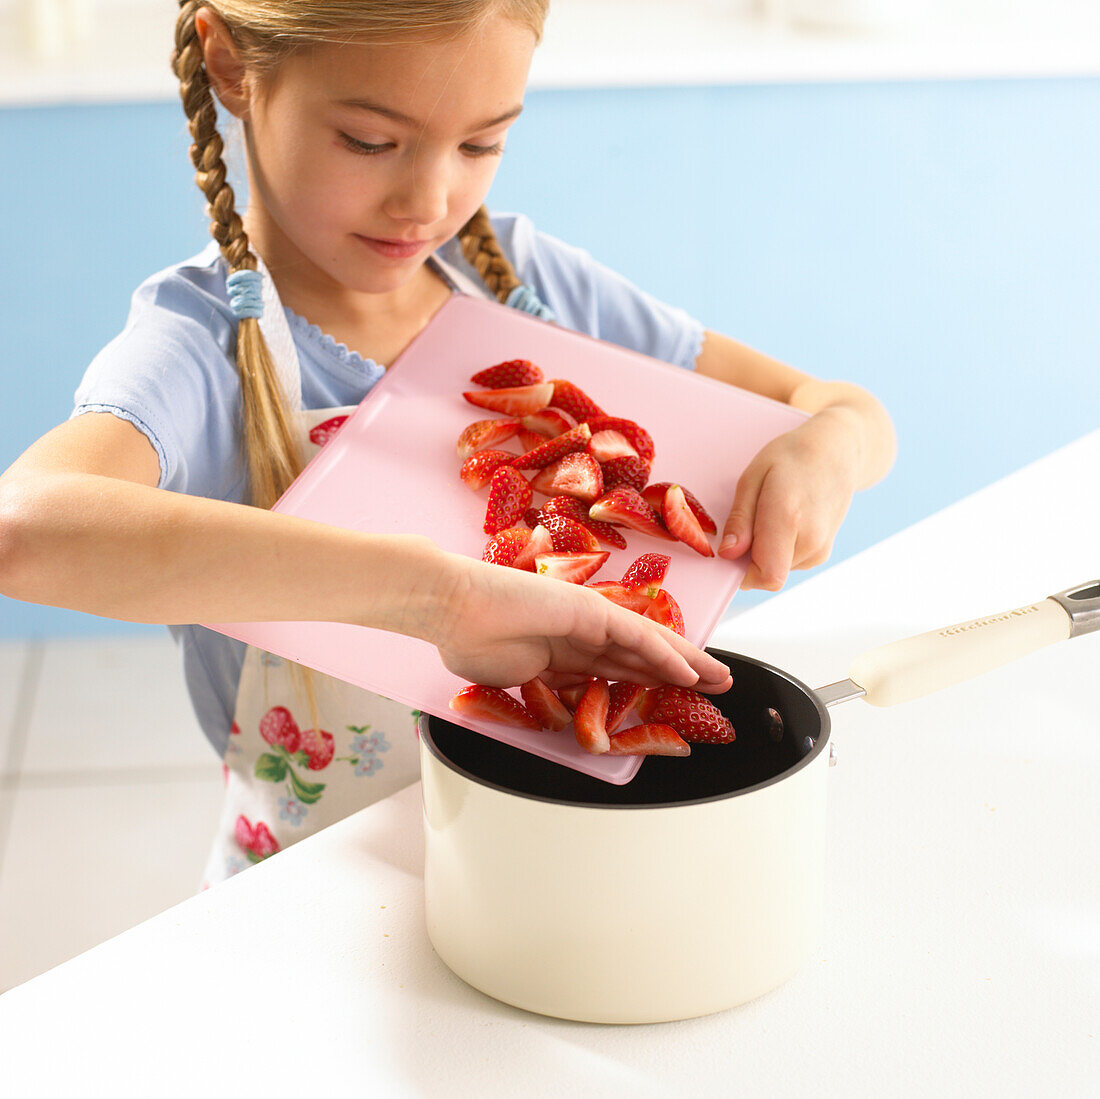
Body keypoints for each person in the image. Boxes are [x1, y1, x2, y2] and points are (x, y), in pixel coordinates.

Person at [0, 0, 895, 882]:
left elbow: (838, 408)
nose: (428, 201)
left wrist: (836, 443)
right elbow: (24, 528)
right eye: (369, 141)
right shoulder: (198, 345)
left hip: (555, 866)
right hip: (319, 888)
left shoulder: (527, 277)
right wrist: (439, 601)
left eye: (480, 144)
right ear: (232, 67)